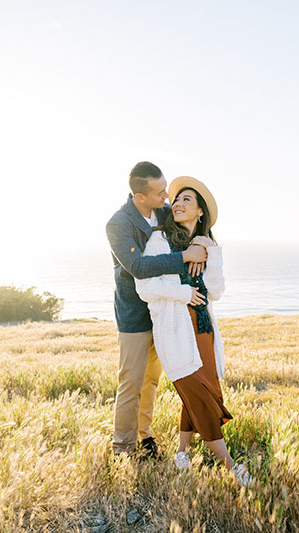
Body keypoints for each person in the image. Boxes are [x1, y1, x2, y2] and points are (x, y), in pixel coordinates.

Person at [134, 176, 250, 486]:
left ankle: (182, 452)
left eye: (187, 200)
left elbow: (216, 291)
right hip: (175, 331)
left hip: (203, 330)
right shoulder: (160, 241)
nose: (178, 204)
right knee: (198, 395)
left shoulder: (203, 245)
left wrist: (211, 248)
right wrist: (183, 294)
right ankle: (230, 465)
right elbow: (145, 286)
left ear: (200, 212)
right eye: (177, 199)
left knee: (201, 392)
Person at [106, 162, 208, 457]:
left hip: (165, 311)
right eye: (161, 191)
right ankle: (122, 448)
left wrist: (200, 240)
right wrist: (184, 258)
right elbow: (138, 266)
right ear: (140, 197)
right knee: (131, 381)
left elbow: (191, 226)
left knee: (152, 378)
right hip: (135, 314)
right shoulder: (118, 224)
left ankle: (145, 436)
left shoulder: (164, 212)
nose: (168, 196)